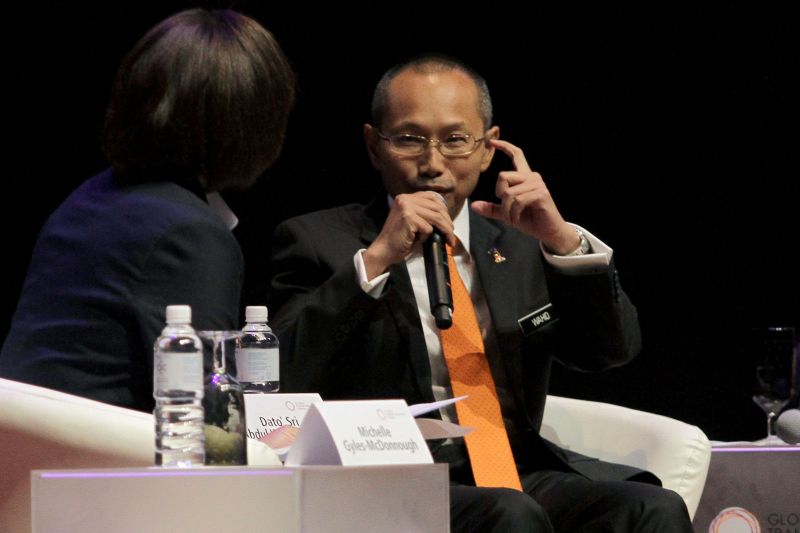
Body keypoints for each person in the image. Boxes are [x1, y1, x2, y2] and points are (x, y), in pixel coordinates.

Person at [268, 54, 692, 532]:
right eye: (409, 139)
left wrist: (563, 243)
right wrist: (377, 259)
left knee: (653, 508)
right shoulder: (318, 241)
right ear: (374, 146)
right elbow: (278, 374)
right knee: (510, 514)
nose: (432, 164)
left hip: (515, 470)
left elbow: (610, 352)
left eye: (454, 140)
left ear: (488, 148)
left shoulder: (521, 242)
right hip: (390, 480)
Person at [0, 8, 295, 412]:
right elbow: (206, 415)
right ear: (249, 122)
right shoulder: (190, 234)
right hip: (104, 459)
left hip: (28, 450)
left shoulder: (88, 199)